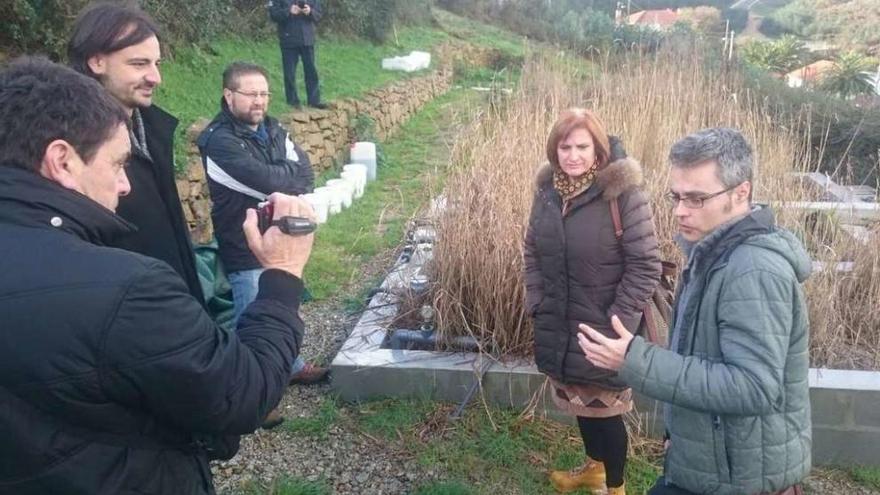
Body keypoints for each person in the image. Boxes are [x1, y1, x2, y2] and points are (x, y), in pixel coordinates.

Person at [0, 57, 315, 494]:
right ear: (63, 161)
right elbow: (240, 395)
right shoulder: (123, 290)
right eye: (117, 164)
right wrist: (281, 275)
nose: (126, 185)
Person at [579, 127, 812, 495]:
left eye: (697, 199)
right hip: (712, 463)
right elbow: (701, 357)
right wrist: (681, 437)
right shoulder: (709, 253)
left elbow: (752, 387)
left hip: (740, 478)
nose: (680, 211)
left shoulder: (753, 272)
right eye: (676, 197)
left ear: (741, 192)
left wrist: (636, 360)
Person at [523, 108, 662, 495]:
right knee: (581, 408)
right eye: (564, 146)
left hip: (605, 330)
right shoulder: (549, 192)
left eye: (582, 146)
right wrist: (536, 298)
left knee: (606, 414)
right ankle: (595, 471)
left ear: (598, 149)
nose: (573, 155)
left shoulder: (622, 195)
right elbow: (532, 250)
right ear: (555, 149)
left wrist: (617, 321)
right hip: (560, 323)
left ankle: (615, 488)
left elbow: (645, 265)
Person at [197, 62, 327, 425]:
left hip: (279, 236)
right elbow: (265, 180)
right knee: (250, 314)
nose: (259, 101)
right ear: (229, 95)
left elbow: (306, 174)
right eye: (251, 94)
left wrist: (283, 178)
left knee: (282, 301)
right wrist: (285, 178)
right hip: (244, 240)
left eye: (264, 94)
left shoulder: (273, 128)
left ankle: (291, 365)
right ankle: (251, 393)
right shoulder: (218, 141)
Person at [68, 3, 205, 305]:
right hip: (129, 312)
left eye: (157, 64)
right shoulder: (70, 145)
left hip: (175, 300)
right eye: (140, 64)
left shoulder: (153, 128)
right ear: (96, 61)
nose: (155, 77)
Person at [269, 0, 326, 109]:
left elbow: (318, 15)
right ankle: (292, 101)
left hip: (307, 39)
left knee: (311, 71)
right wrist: (288, 11)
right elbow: (273, 14)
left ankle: (314, 100)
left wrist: (310, 12)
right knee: (289, 73)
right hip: (288, 39)